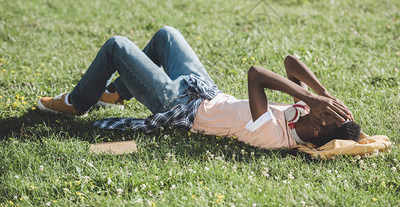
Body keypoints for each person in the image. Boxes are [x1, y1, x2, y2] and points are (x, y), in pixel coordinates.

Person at [38, 26, 360, 150]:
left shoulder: (275, 136)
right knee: (167, 36)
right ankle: (118, 93)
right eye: (330, 109)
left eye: (329, 115)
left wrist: (308, 96)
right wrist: (323, 93)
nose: (325, 109)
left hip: (178, 106)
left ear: (318, 130)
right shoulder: (308, 112)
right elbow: (291, 62)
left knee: (117, 46)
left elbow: (256, 74)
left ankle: (79, 102)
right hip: (205, 91)